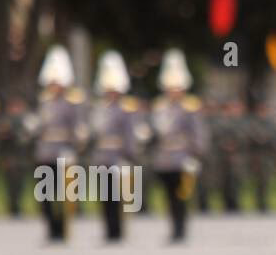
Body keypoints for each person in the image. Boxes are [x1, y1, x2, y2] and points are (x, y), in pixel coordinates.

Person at [150, 49, 208, 243]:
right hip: (165, 158)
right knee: (168, 196)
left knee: (182, 196)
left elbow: (198, 132)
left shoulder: (190, 107)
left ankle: (181, 229)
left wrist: (196, 155)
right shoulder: (159, 107)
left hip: (183, 156)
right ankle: (173, 228)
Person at [31, 44, 87, 243]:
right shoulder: (43, 101)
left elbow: (78, 127)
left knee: (64, 195)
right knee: (45, 194)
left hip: (64, 150)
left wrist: (76, 144)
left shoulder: (72, 101)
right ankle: (50, 228)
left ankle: (62, 229)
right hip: (45, 151)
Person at [89, 51, 145, 241]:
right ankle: (109, 230)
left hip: (119, 154)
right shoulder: (98, 108)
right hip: (102, 155)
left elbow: (129, 133)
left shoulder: (126, 108)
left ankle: (119, 230)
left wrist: (129, 155)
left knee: (120, 196)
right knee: (105, 196)